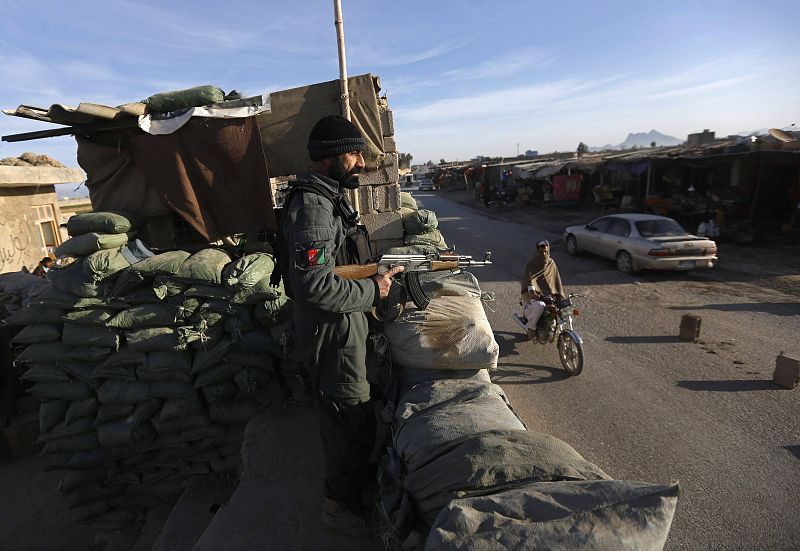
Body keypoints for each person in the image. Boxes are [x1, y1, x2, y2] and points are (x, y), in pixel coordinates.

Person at [280, 115, 403, 538]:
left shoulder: (329, 198)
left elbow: (339, 264)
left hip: (343, 325)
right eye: (354, 153)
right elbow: (312, 284)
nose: (361, 162)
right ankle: (338, 507)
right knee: (347, 420)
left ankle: (354, 487)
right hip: (332, 333)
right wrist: (374, 291)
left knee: (358, 416)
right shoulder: (313, 207)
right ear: (330, 156)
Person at [519, 240, 564, 336]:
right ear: (537, 250)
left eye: (546, 252)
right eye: (541, 252)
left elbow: (556, 280)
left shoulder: (551, 263)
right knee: (540, 305)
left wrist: (559, 295)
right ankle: (531, 327)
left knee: (561, 308)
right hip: (534, 295)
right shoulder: (531, 264)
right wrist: (536, 294)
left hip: (549, 295)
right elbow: (529, 281)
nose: (543, 254)